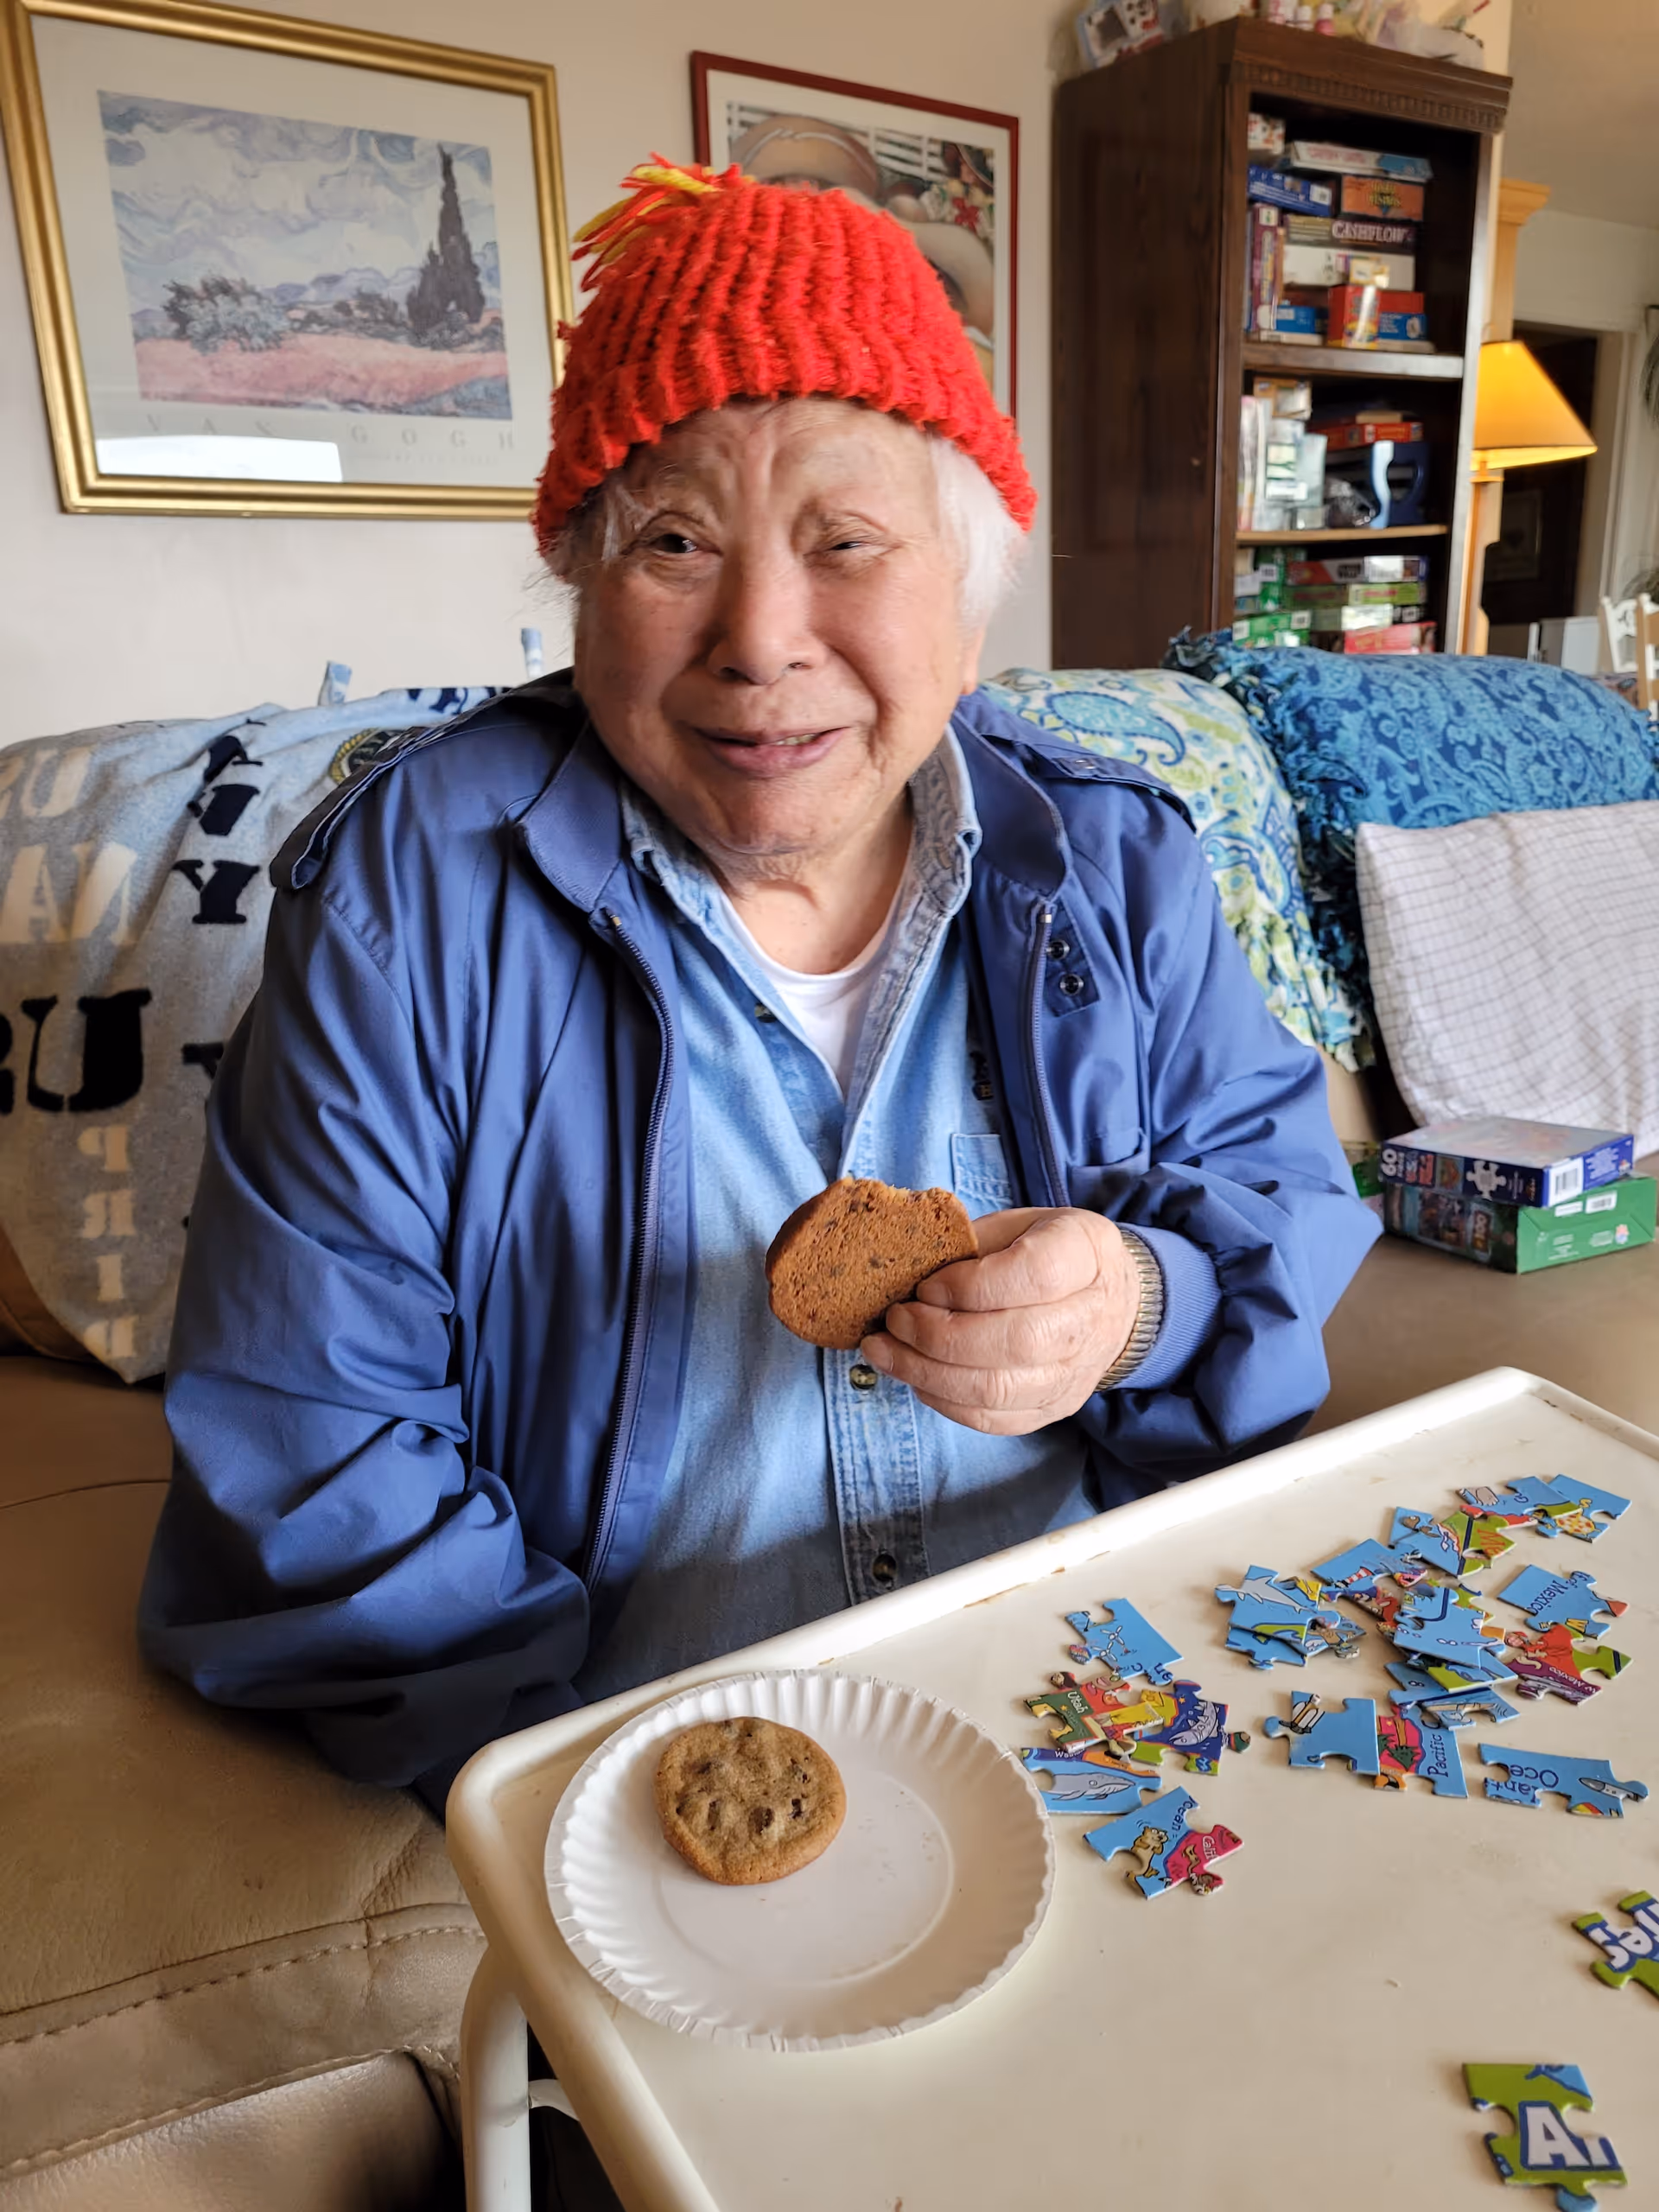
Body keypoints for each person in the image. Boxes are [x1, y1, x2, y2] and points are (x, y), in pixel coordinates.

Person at [140, 160, 1378, 1818]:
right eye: (674, 541)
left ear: (967, 580)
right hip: (629, 1737)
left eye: (847, 542)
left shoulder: (1109, 856)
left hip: (1084, 1703)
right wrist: (574, 1804)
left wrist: (1139, 1301)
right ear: (583, 585)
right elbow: (313, 1441)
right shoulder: (409, 892)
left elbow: (1279, 1204)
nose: (759, 637)